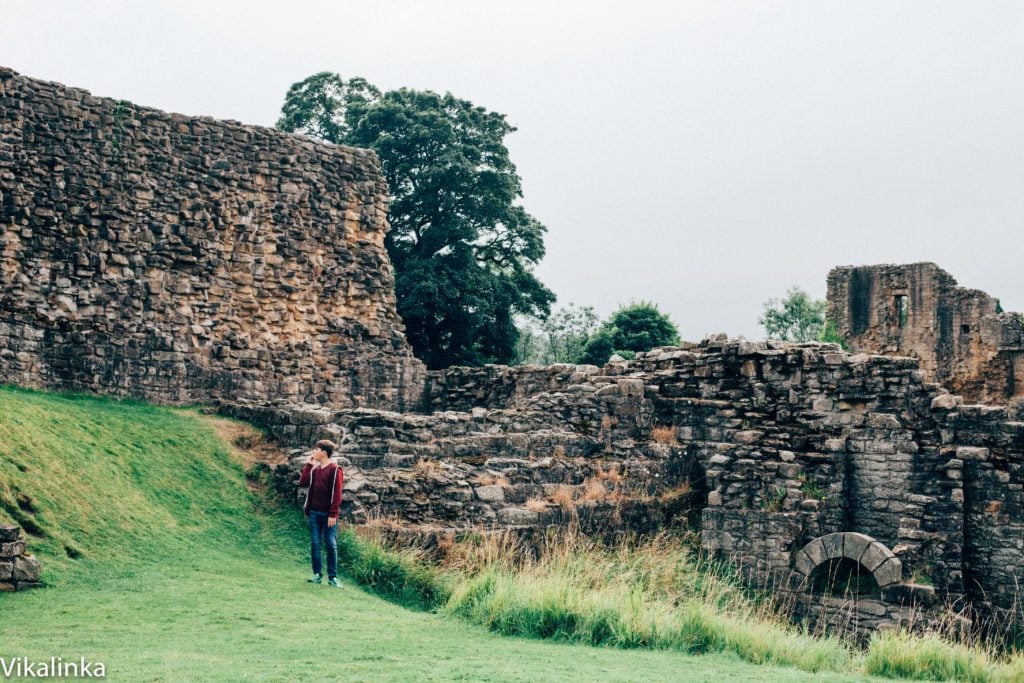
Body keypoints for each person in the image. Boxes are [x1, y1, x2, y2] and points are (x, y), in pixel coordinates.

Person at [298, 439, 343, 587]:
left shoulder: (335, 470)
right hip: (314, 514)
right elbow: (303, 482)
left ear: (324, 453)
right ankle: (317, 574)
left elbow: (337, 494)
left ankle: (333, 578)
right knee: (315, 543)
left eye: (316, 450)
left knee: (331, 544)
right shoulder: (315, 470)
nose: (314, 452)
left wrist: (333, 514)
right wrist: (309, 464)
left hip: (328, 516)